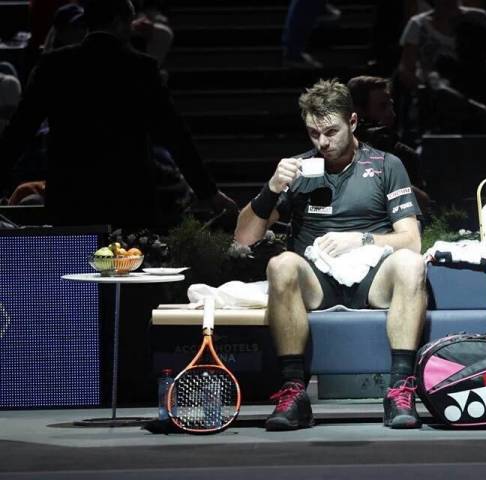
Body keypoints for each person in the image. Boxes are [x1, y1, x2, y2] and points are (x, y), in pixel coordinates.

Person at [234, 79, 427, 431]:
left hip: (373, 280)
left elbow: (411, 240)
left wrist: (361, 239)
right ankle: (294, 392)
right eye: (313, 133)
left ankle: (400, 390)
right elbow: (244, 238)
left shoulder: (386, 165)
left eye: (331, 131)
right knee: (281, 264)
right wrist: (271, 189)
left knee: (412, 264)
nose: (322, 142)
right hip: (316, 281)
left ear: (353, 122)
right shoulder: (298, 170)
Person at [0, 0, 236, 228]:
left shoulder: (54, 65)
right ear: (119, 22)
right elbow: (176, 136)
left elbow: (19, 131)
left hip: (71, 199)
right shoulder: (142, 69)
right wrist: (209, 193)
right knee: (127, 265)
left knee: (74, 267)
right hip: (129, 200)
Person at [347, 75, 431, 213]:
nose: (391, 114)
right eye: (382, 107)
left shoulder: (405, 155)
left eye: (390, 105)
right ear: (358, 114)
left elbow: (423, 205)